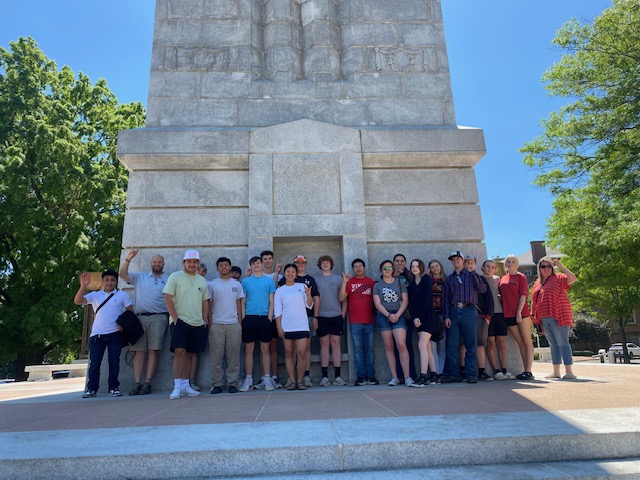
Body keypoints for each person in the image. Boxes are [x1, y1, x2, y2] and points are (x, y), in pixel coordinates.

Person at [75, 269, 132, 398]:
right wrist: (83, 286)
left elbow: (130, 312)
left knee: (114, 361)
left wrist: (123, 325)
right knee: (95, 363)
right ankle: (91, 389)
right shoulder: (95, 295)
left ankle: (113, 387)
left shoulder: (121, 295)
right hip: (97, 334)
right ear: (103, 281)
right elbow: (78, 301)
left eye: (112, 280)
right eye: (107, 280)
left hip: (114, 334)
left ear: (116, 282)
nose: (109, 282)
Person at [119, 249, 168, 395]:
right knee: (138, 352)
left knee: (154, 350)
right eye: (154, 262)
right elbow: (122, 275)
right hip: (140, 318)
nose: (157, 264)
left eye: (159, 262)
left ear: (163, 264)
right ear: (151, 263)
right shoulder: (141, 276)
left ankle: (147, 383)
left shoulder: (169, 278)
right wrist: (128, 259)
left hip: (159, 317)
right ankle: (137, 383)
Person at [163, 249, 210, 400]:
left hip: (197, 323)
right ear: (184, 263)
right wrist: (175, 318)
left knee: (190, 354)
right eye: (189, 262)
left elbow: (205, 302)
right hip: (180, 321)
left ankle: (186, 385)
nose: (192, 264)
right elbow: (167, 297)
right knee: (180, 352)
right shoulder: (175, 276)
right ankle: (177, 387)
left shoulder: (202, 280)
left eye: (195, 262)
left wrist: (203, 320)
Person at [441, 250, 487, 384]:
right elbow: (445, 299)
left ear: (463, 261)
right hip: (454, 311)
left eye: (458, 259)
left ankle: (471, 374)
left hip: (469, 310)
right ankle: (455, 374)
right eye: (453, 260)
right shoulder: (449, 279)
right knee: (452, 345)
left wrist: (472, 272)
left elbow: (482, 289)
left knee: (470, 344)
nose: (456, 261)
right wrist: (447, 316)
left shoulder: (472, 275)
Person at [531, 257, 578, 380]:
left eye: (548, 266)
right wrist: (533, 316)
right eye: (543, 266)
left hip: (559, 315)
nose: (545, 269)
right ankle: (556, 371)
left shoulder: (559, 278)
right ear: (539, 268)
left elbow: (572, 279)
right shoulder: (537, 283)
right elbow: (533, 300)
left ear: (552, 268)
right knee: (553, 345)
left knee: (563, 343)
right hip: (543, 318)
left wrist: (560, 265)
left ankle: (569, 371)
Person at [278, 255, 320, 387]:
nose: (290, 274)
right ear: (284, 274)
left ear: (296, 274)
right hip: (286, 326)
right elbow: (278, 311)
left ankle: (300, 381)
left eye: (293, 272)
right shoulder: (280, 290)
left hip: (301, 325)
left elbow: (309, 305)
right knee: (289, 353)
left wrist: (308, 295)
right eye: (288, 272)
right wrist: (279, 327)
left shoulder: (302, 286)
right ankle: (292, 381)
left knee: (302, 353)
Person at [239, 256, 276, 392]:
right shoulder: (246, 281)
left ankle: (267, 378)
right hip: (249, 318)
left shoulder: (269, 281)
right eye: (253, 263)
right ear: (250, 266)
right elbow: (243, 301)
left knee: (265, 349)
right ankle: (248, 379)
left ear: (261, 264)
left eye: (258, 263)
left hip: (264, 318)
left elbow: (272, 301)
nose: (256, 265)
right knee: (248, 350)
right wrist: (244, 319)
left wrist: (269, 318)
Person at [373, 260, 413, 387]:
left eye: (389, 268)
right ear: (381, 270)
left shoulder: (399, 282)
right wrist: (388, 315)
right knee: (389, 347)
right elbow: (377, 303)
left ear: (393, 269)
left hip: (398, 314)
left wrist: (397, 315)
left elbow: (405, 300)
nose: (387, 270)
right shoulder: (377, 285)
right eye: (384, 268)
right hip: (384, 316)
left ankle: (407, 377)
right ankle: (394, 377)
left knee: (401, 345)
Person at [208, 257, 245, 394]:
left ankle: (232, 383)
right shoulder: (212, 284)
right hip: (216, 324)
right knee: (216, 356)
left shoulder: (236, 284)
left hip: (233, 324)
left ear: (230, 267)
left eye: (226, 265)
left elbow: (239, 304)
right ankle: (216, 384)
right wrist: (210, 323)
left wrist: (239, 322)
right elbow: (209, 304)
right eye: (221, 265)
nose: (224, 267)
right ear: (217, 268)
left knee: (233, 356)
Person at [339, 258, 378, 386]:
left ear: (364, 267)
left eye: (360, 266)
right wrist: (345, 282)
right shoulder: (349, 283)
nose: (358, 268)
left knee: (369, 349)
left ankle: (371, 376)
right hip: (355, 321)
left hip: (369, 320)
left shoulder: (371, 282)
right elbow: (341, 298)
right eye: (355, 266)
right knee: (358, 350)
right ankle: (361, 376)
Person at [499, 254, 535, 381]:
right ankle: (524, 370)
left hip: (521, 314)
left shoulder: (521, 277)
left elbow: (523, 295)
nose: (510, 263)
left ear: (517, 263)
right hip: (508, 314)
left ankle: (529, 370)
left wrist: (519, 312)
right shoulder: (502, 278)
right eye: (508, 261)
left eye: (513, 261)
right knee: (520, 343)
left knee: (527, 341)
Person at [314, 255, 346, 386]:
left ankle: (338, 377)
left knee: (336, 344)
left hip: (336, 316)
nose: (325, 264)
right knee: (324, 345)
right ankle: (325, 377)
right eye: (323, 263)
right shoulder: (315, 279)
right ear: (320, 265)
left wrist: (342, 315)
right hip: (321, 316)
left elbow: (344, 299)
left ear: (331, 264)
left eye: (327, 262)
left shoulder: (339, 279)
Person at [482, 260, 515, 380]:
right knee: (490, 343)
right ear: (483, 268)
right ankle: (496, 371)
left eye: (492, 267)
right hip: (488, 315)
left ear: (495, 269)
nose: (490, 269)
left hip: (500, 313)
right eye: (487, 266)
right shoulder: (480, 280)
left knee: (501, 343)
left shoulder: (498, 280)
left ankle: (505, 369)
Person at [464, 255, 494, 381]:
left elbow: (489, 298)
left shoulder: (481, 279)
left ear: (476, 265)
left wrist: (488, 316)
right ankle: (463, 370)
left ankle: (482, 370)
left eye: (472, 263)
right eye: (467, 263)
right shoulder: (459, 278)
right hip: (464, 315)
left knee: (480, 344)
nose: (470, 265)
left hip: (479, 316)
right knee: (463, 344)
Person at [407, 259, 436, 387]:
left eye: (417, 266)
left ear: (422, 267)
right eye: (412, 266)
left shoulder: (426, 280)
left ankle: (423, 376)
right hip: (417, 320)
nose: (414, 268)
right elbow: (411, 304)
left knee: (422, 344)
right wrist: (414, 318)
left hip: (427, 318)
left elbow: (427, 300)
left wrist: (420, 318)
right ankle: (434, 374)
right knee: (427, 346)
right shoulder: (412, 284)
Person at [392, 254, 417, 382]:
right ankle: (400, 375)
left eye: (402, 261)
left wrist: (405, 274)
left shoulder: (411, 275)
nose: (400, 263)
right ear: (393, 262)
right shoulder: (389, 275)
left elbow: (414, 289)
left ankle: (411, 374)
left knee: (408, 344)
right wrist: (395, 275)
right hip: (395, 315)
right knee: (397, 345)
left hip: (409, 314)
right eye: (397, 261)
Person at [427, 259, 447, 378]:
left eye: (437, 266)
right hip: (431, 316)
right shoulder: (427, 282)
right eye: (432, 267)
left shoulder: (446, 281)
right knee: (432, 346)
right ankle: (436, 372)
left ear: (440, 267)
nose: (435, 269)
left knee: (443, 346)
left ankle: (442, 372)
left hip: (443, 316)